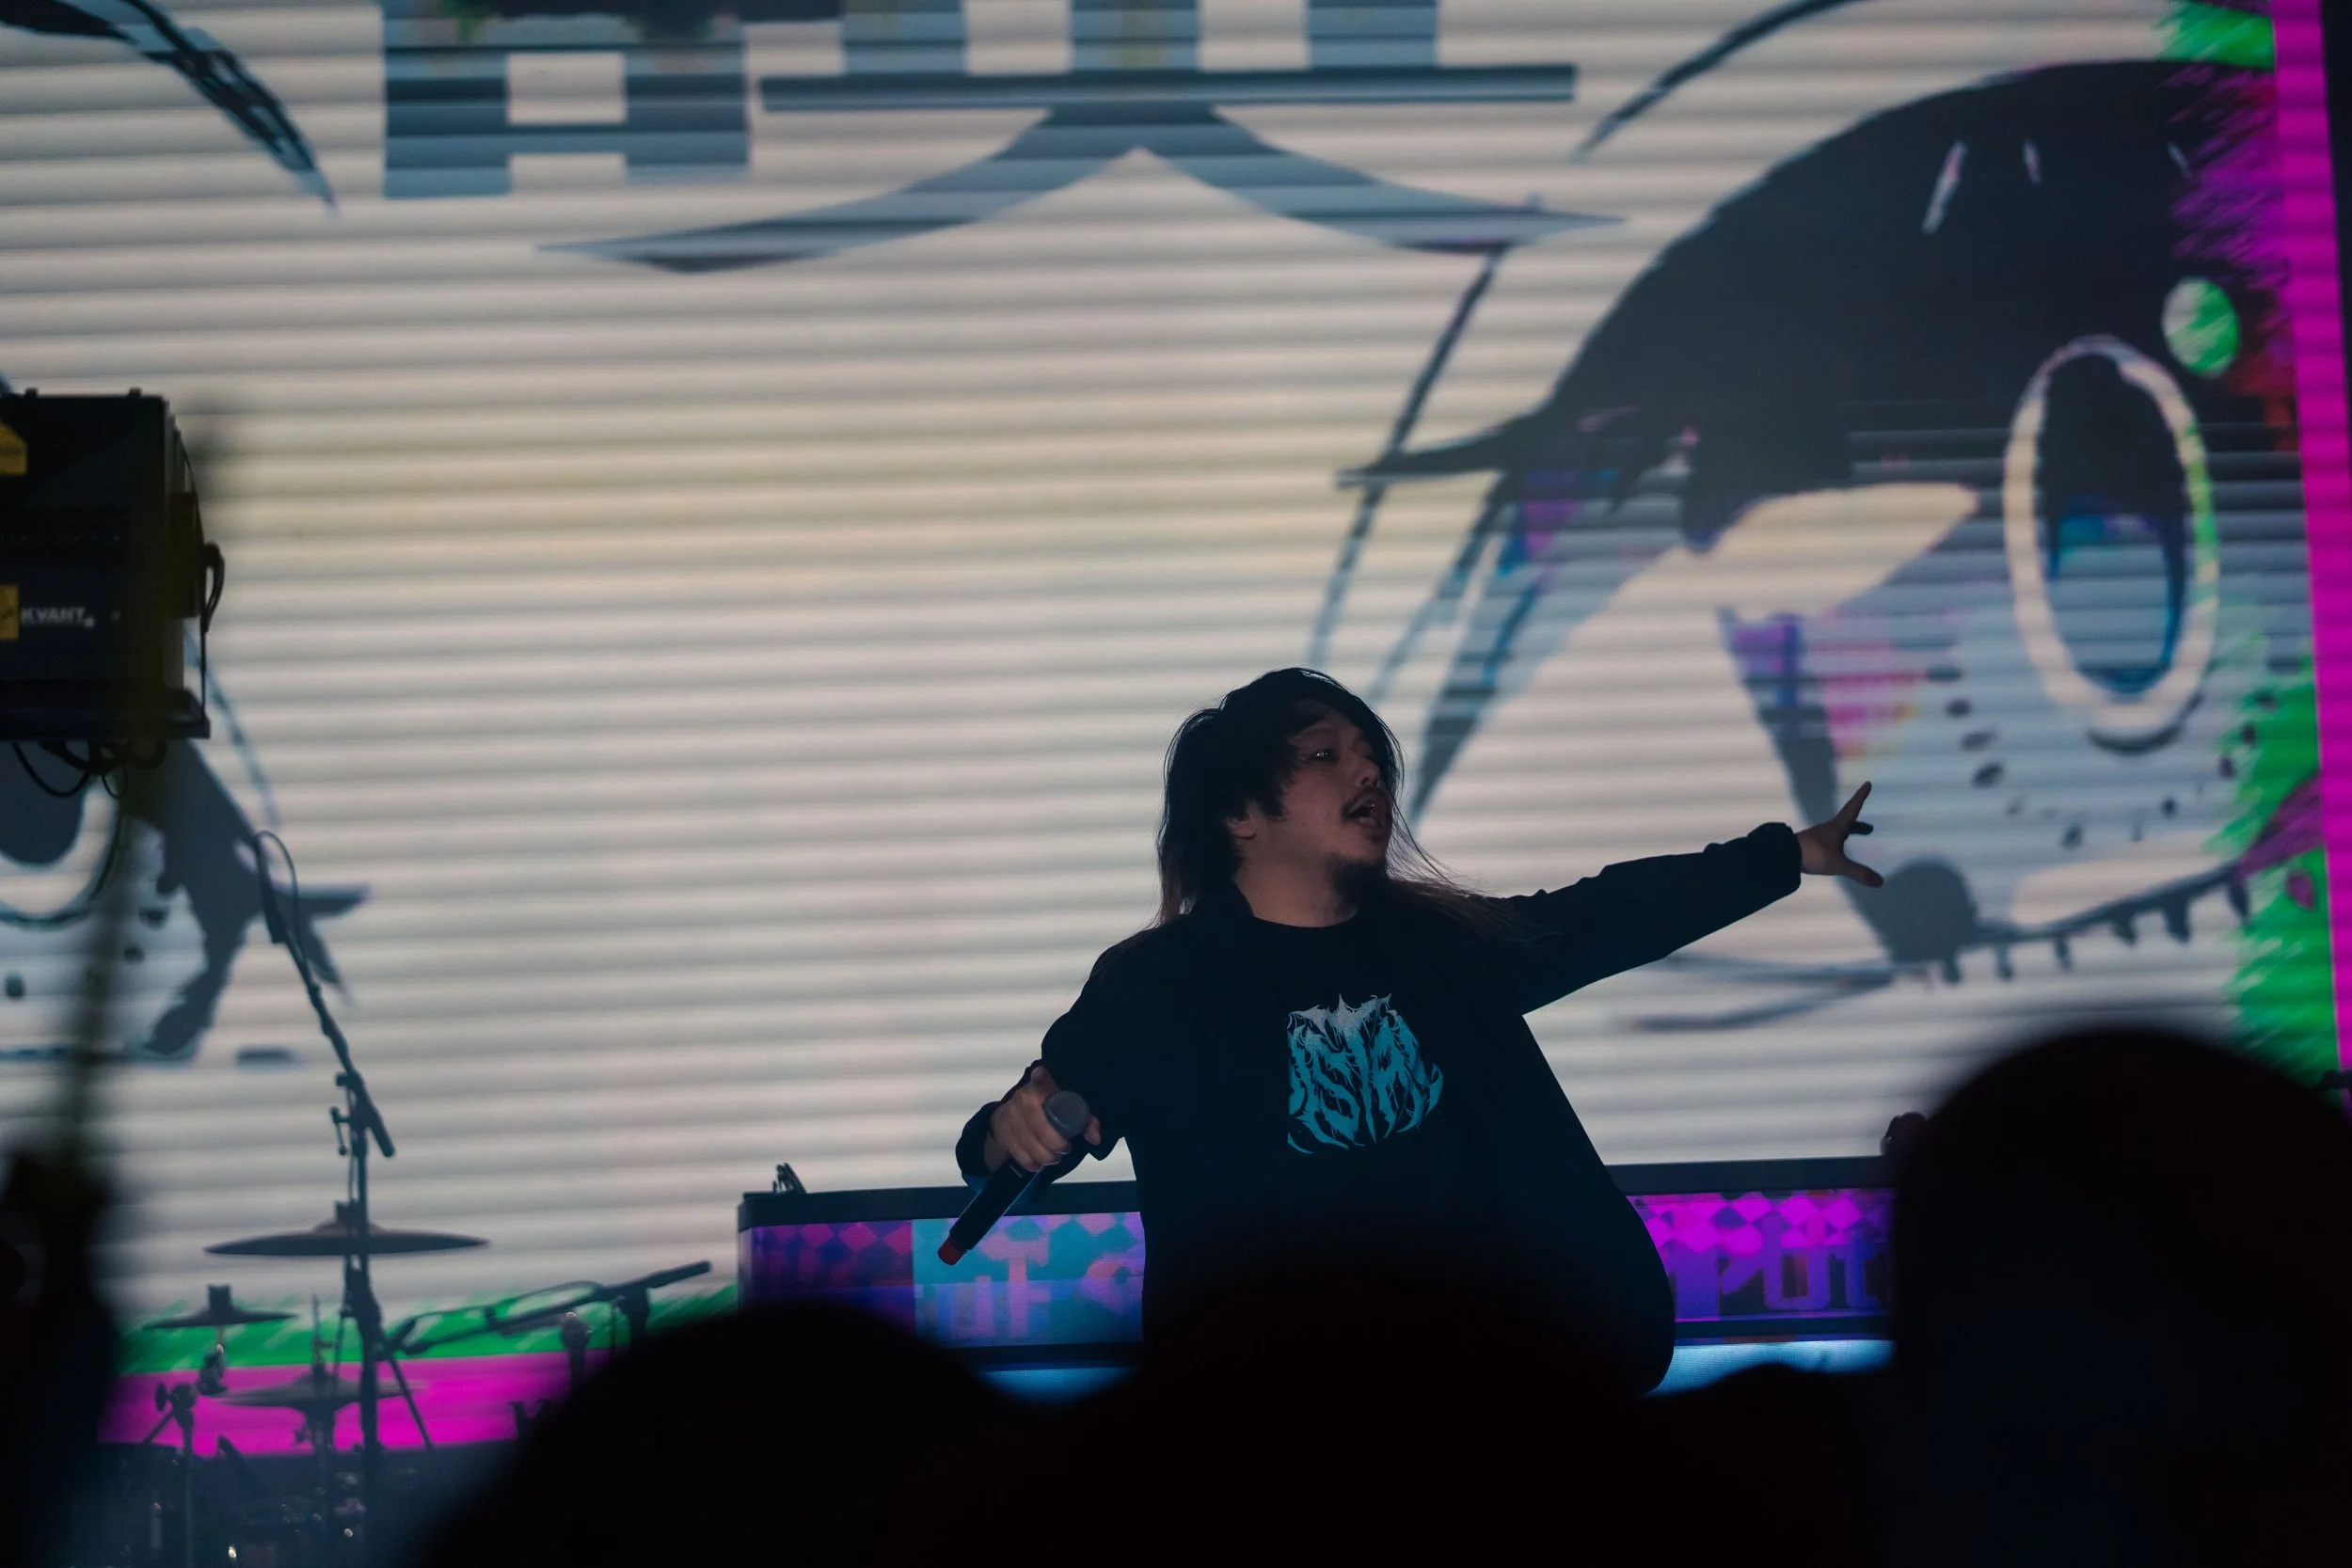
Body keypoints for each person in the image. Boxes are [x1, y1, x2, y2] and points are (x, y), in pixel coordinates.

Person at [954, 668, 1881, 1391]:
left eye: (1372, 756)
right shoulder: (1159, 984)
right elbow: (1008, 1142)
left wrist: (1785, 854)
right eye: (1325, 754)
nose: (1368, 772)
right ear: (1239, 813)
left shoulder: (1444, 947)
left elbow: (1606, 913)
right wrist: (1011, 1128)